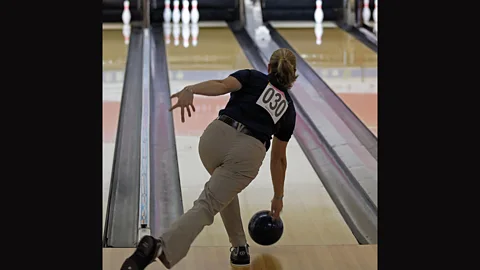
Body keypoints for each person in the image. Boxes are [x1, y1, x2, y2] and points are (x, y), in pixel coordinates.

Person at [121, 48, 298, 270]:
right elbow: (278, 159)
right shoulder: (288, 109)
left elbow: (222, 85)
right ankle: (160, 246)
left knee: (223, 187)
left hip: (214, 138)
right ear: (293, 76)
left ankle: (240, 247)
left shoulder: (252, 76)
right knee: (207, 204)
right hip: (248, 151)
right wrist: (278, 196)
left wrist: (190, 89)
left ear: (269, 68)